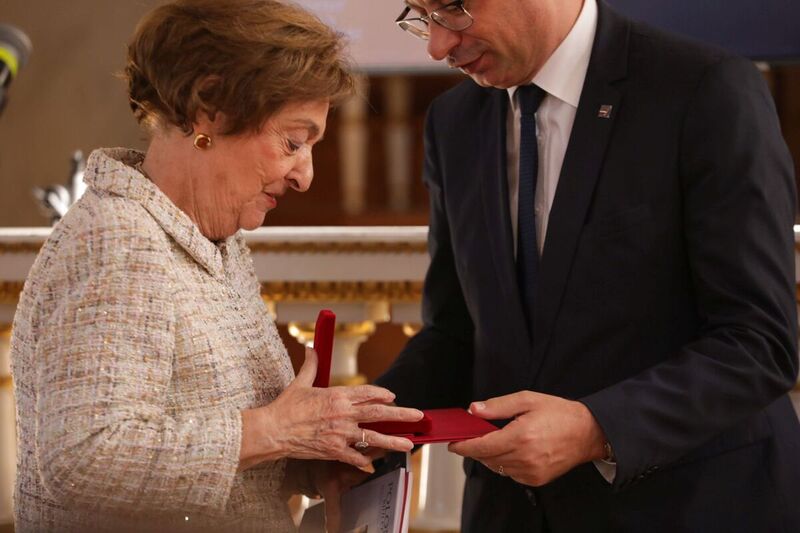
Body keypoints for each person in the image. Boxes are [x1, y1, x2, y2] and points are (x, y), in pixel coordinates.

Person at [376, 0, 800, 531]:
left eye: (453, 9)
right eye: (420, 14)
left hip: (692, 507)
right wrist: (366, 425)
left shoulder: (704, 89)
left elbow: (759, 342)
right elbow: (458, 333)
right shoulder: (453, 120)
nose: (437, 46)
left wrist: (596, 428)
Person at [9, 1, 423, 531]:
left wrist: (308, 461)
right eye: (293, 142)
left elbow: (211, 446)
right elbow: (85, 459)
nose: (306, 177)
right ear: (211, 111)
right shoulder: (118, 240)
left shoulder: (210, 240)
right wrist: (277, 431)